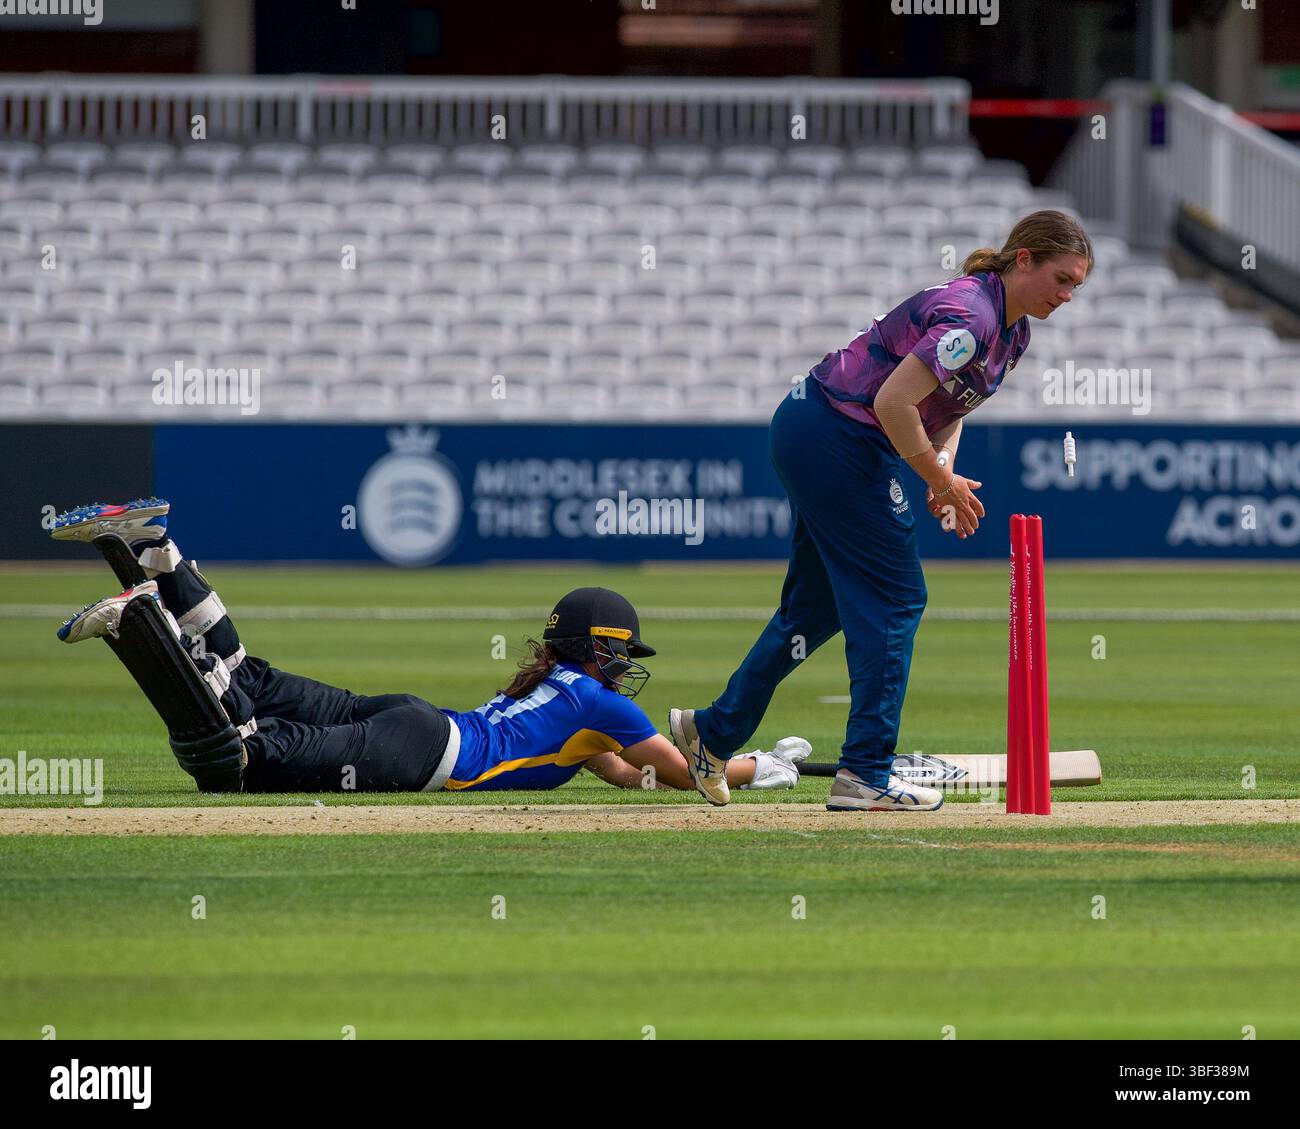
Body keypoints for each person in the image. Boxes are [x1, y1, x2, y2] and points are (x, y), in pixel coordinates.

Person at [668, 210, 1093, 812]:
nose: (1068, 295)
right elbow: (895, 402)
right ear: (1023, 259)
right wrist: (938, 483)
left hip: (820, 430)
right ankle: (865, 773)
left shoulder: (1012, 330)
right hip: (836, 435)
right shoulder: (973, 316)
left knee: (813, 609)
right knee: (897, 597)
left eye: (1077, 285)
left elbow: (950, 405)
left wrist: (940, 471)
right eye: (1062, 279)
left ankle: (710, 731)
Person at [50, 498, 809, 796]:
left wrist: (656, 774)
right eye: (620, 653)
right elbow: (684, 771)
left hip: (417, 723)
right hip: (419, 751)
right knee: (243, 758)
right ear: (594, 650)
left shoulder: (572, 702)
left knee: (255, 676)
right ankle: (143, 620)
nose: (624, 669)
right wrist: (763, 766)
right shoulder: (596, 699)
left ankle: (160, 546)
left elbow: (621, 769)